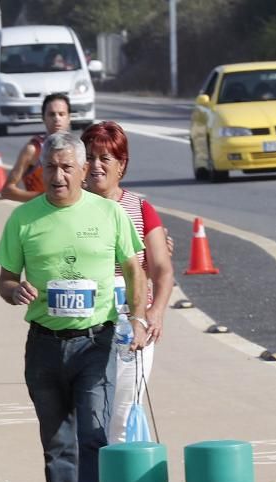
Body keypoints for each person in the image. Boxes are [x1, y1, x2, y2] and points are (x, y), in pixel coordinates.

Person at [0, 132, 147, 482]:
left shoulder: (109, 213)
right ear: (39, 171)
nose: (58, 176)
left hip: (95, 339)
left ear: (82, 170)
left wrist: (139, 318)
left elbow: (135, 268)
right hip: (44, 343)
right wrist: (13, 291)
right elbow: (5, 279)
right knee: (57, 439)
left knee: (93, 430)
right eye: (50, 168)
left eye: (66, 167)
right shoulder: (23, 219)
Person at [82, 121, 174, 444]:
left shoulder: (140, 209)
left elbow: (162, 268)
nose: (95, 166)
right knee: (89, 416)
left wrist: (156, 311)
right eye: (89, 157)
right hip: (82, 329)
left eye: (104, 159)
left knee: (120, 419)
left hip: (130, 330)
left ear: (121, 165)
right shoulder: (70, 209)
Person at [0, 92, 71, 203]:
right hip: (39, 216)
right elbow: (7, 191)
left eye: (61, 114)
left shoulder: (77, 149)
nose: (57, 119)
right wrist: (45, 198)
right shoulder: (33, 150)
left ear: (69, 117)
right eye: (52, 114)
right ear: (43, 118)